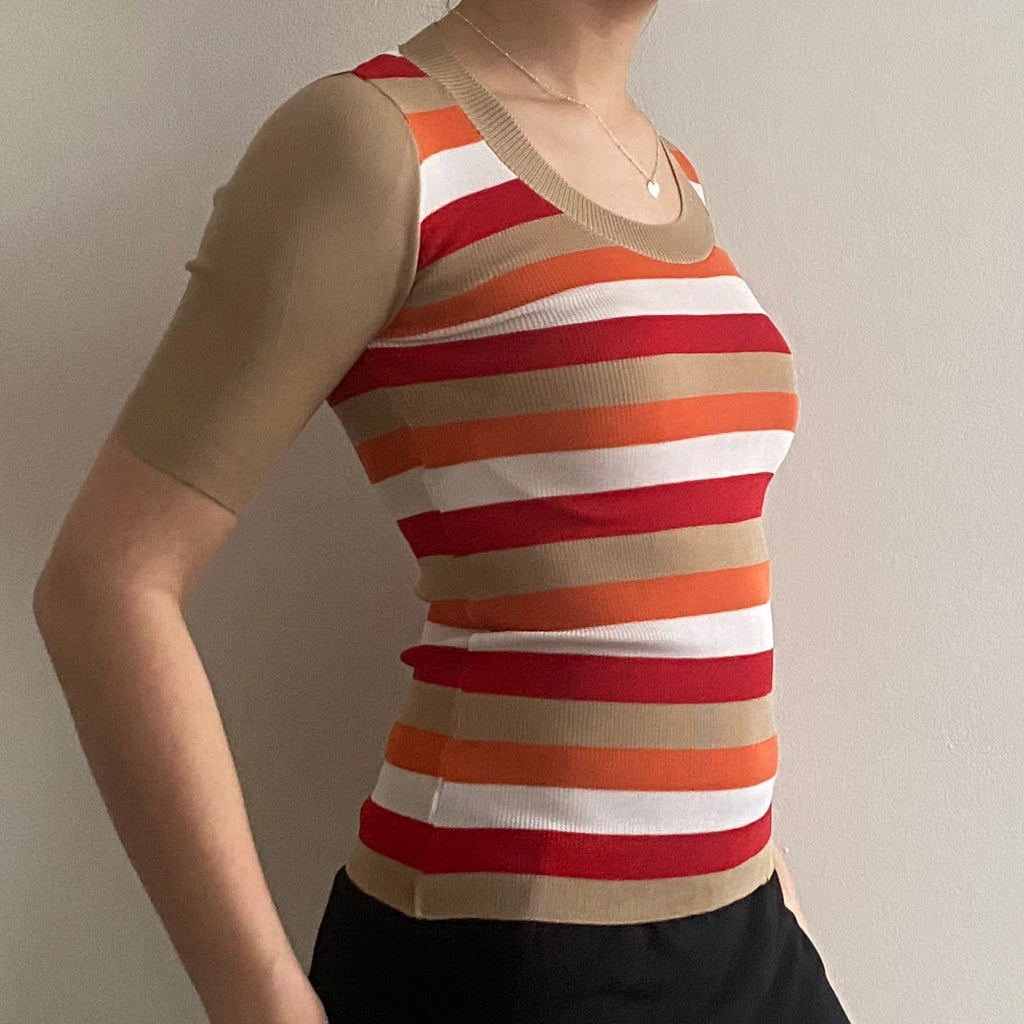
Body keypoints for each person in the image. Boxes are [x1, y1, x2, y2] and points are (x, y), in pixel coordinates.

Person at [32, 1, 853, 1021]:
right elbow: (104, 587)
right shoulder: (374, 142)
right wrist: (263, 1006)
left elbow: (686, 588)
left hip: (743, 928)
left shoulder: (669, 171)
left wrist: (776, 900)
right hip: (520, 954)